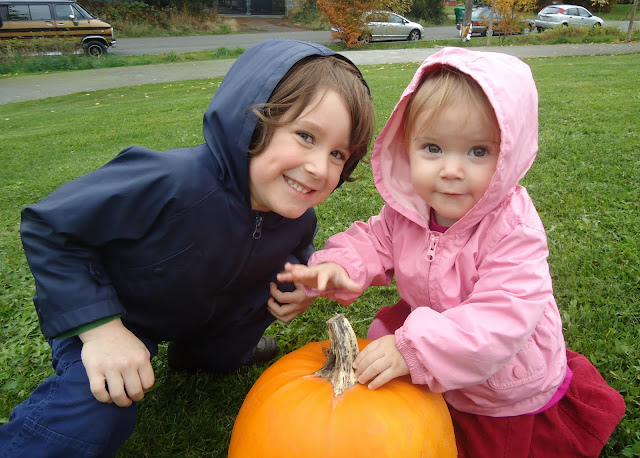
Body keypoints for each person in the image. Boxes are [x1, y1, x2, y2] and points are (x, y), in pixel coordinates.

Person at [0, 38, 374, 456]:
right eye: (305, 136)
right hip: (114, 314)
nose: (319, 168)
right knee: (103, 405)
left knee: (262, 304)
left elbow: (297, 251)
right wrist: (101, 330)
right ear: (251, 120)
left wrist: (303, 285)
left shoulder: (299, 217)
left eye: (338, 153)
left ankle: (206, 353)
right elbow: (51, 227)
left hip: (206, 314)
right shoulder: (171, 180)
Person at [278, 47, 625, 456]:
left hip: (497, 377)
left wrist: (414, 349)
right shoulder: (409, 210)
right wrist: (339, 265)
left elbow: (501, 318)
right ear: (407, 146)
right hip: (437, 330)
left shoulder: (513, 228)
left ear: (508, 154)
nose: (451, 171)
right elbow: (374, 240)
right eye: (433, 148)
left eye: (478, 151)